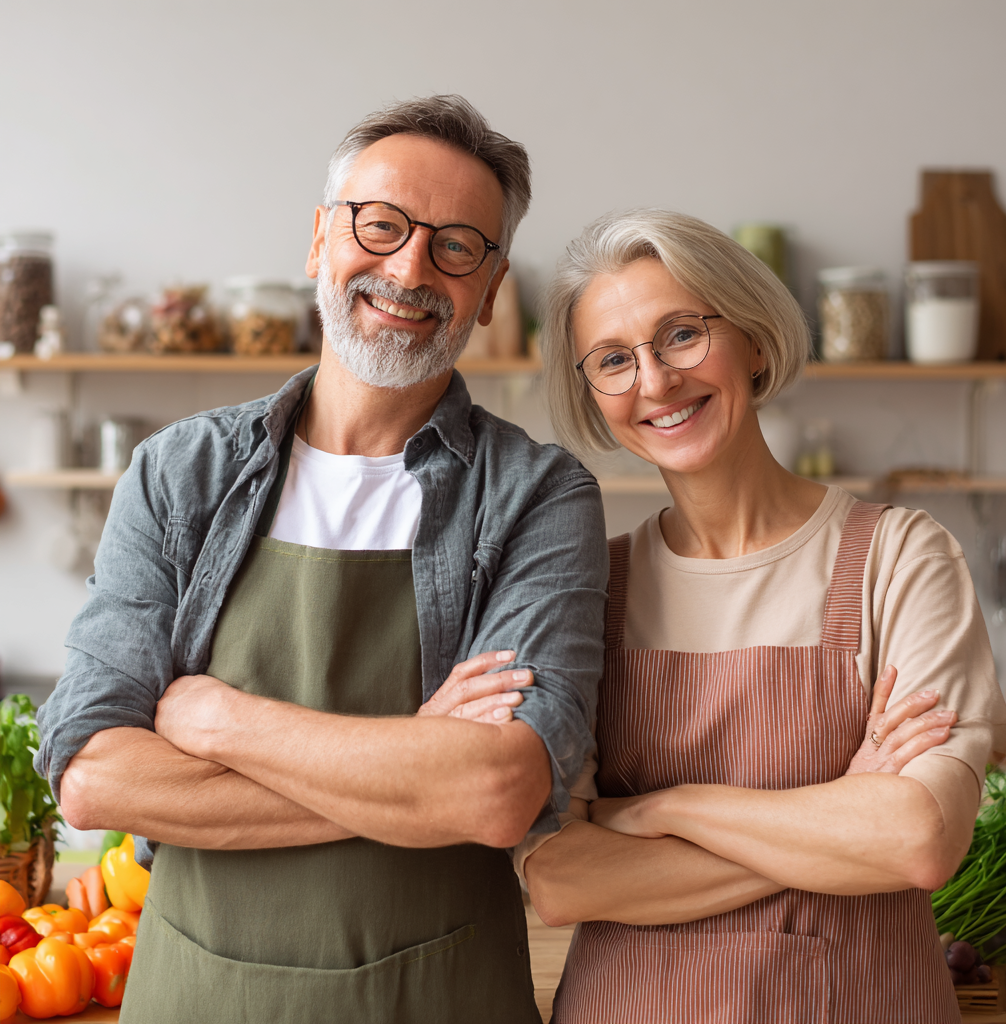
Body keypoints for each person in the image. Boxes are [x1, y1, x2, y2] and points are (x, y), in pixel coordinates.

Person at [36, 95, 608, 1024]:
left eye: (458, 246)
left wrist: (213, 718)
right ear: (318, 242)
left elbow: (498, 788)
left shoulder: (538, 496)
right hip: (198, 995)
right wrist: (417, 778)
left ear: (491, 288)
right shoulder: (181, 474)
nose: (410, 266)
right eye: (379, 225)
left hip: (439, 998)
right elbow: (96, 775)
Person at [524, 209, 1006, 1023]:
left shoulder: (900, 559)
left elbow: (917, 840)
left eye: (681, 334)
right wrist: (841, 812)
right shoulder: (588, 587)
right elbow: (563, 878)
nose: (654, 381)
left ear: (751, 339)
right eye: (613, 360)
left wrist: (657, 810)